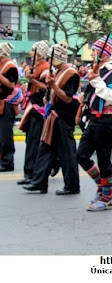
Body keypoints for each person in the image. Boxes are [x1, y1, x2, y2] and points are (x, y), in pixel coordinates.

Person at [22, 40, 80, 194]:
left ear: (59, 57)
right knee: (45, 148)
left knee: (67, 152)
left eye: (52, 57)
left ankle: (72, 186)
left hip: (63, 116)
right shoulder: (58, 72)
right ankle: (39, 182)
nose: (49, 60)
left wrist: (53, 86)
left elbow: (68, 98)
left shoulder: (70, 74)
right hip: (52, 115)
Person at [76, 35, 112, 209]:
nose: (92, 53)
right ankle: (101, 186)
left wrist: (96, 81)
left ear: (102, 53)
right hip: (93, 120)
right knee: (81, 155)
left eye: (94, 50)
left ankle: (107, 197)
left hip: (105, 120)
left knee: (104, 159)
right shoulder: (97, 70)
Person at [17, 40, 52, 185]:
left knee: (34, 140)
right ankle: (30, 172)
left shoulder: (45, 68)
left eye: (33, 50)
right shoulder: (37, 67)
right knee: (30, 139)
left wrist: (33, 81)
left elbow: (47, 88)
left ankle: (32, 173)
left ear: (40, 54)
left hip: (38, 108)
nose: (31, 53)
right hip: (33, 106)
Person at [0, 42, 20, 172]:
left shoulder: (9, 66)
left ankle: (7, 161)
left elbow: (11, 84)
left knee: (5, 134)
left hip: (6, 102)